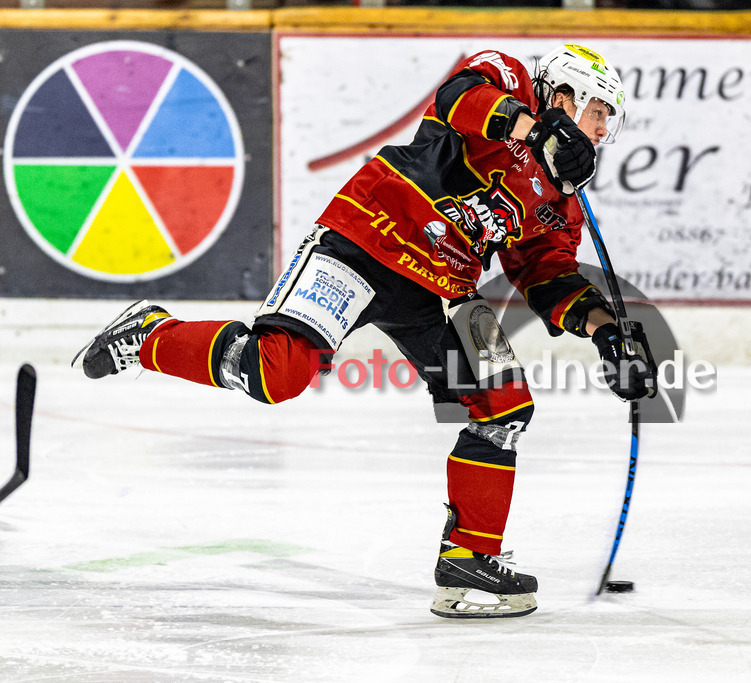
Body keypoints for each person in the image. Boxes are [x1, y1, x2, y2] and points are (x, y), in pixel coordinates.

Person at [74, 44, 657, 619]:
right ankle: (149, 333)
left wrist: (607, 330)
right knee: (274, 371)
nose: (604, 131)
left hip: (444, 285)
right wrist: (533, 129)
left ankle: (468, 561)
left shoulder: (565, 199)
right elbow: (458, 98)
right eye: (600, 112)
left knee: (503, 405)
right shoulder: (507, 79)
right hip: (368, 235)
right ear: (566, 94)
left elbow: (547, 274)